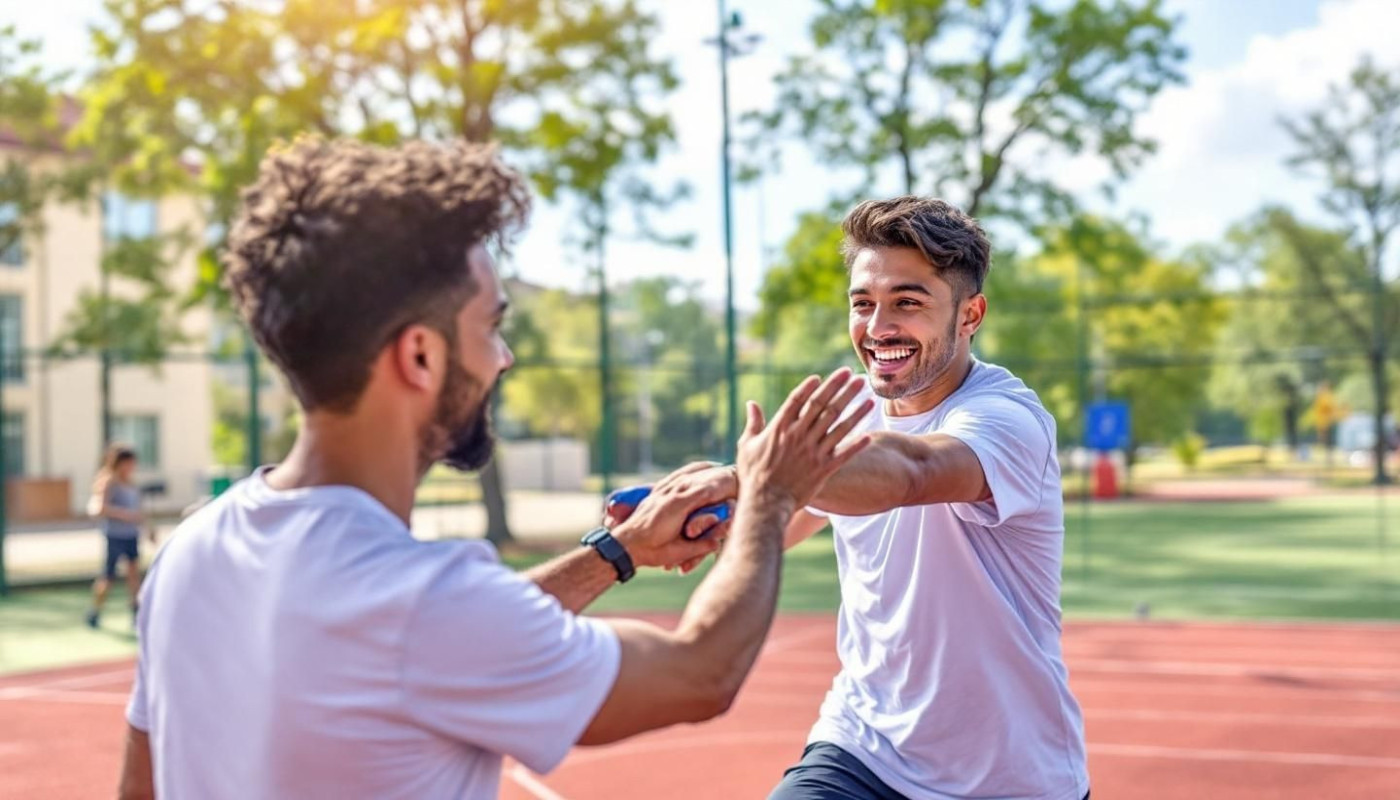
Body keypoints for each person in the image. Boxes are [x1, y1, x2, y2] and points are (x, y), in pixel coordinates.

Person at [118, 137, 874, 800]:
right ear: (420, 355)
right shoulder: (422, 603)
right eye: (492, 326)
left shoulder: (190, 550)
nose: (504, 358)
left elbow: (139, 788)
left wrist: (619, 553)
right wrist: (772, 497)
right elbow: (698, 673)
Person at [757, 197, 1090, 799]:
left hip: (1008, 775)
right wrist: (690, 513)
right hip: (863, 747)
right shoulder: (847, 411)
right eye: (864, 304)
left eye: (907, 303)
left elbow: (912, 470)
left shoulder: (1005, 417)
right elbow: (774, 520)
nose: (878, 327)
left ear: (970, 315)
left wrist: (753, 478)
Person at [85, 444, 152, 629]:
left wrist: (147, 527)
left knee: (133, 575)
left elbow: (138, 511)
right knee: (108, 576)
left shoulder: (131, 484)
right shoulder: (108, 482)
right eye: (128, 463)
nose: (131, 467)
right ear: (119, 463)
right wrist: (125, 514)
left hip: (131, 535)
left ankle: (136, 613)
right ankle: (95, 610)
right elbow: (100, 507)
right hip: (115, 535)